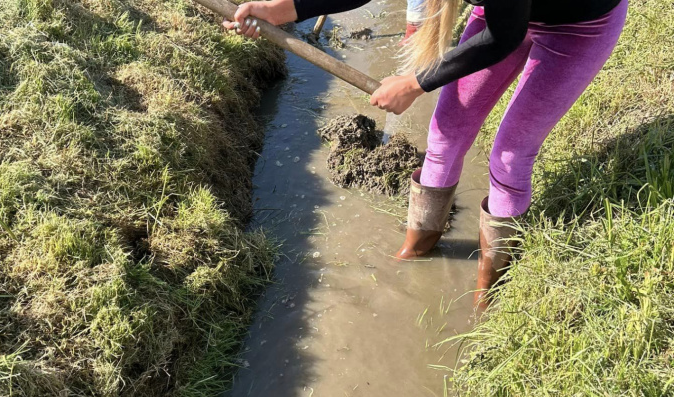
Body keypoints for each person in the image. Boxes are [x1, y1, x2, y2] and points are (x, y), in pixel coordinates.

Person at [223, 0, 628, 310]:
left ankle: (492, 284)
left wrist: (416, 83)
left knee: (510, 153)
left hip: (579, 25)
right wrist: (281, 8)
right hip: (501, 13)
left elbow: (502, 38)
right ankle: (417, 247)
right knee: (445, 133)